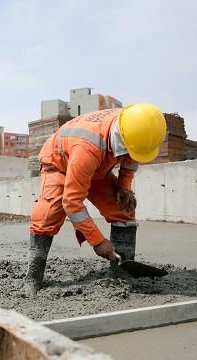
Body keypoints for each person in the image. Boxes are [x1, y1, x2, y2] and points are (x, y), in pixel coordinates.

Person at [24, 104, 166, 296]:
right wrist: (97, 241)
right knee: (47, 214)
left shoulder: (133, 126)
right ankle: (33, 277)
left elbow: (133, 156)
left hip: (97, 167)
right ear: (121, 139)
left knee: (123, 207)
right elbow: (72, 203)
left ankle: (121, 273)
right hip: (59, 163)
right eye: (129, 152)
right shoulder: (87, 148)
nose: (131, 157)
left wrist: (124, 186)